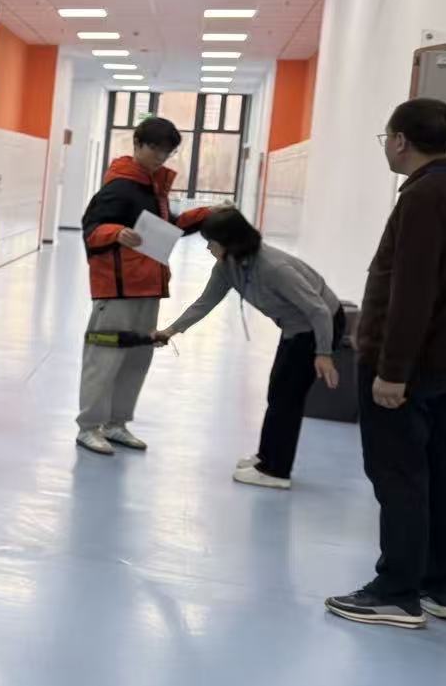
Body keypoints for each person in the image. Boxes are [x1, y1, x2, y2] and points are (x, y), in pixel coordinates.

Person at [326, 98, 446, 629]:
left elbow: (412, 292)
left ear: (400, 140)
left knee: (399, 475)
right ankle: (439, 585)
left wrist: (392, 371)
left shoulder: (422, 197)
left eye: (386, 139)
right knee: (438, 469)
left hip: (406, 369)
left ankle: (397, 591)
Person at [153, 208, 344, 490]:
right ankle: (267, 457)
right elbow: (204, 304)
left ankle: (276, 471)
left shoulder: (273, 268)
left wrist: (323, 353)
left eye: (211, 242)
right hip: (295, 327)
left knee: (286, 399)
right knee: (277, 392)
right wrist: (169, 331)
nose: (208, 248)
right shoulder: (227, 267)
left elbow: (318, 310)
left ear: (230, 242)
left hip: (318, 326)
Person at [75, 115, 210, 456]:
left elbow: (166, 228)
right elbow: (91, 228)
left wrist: (206, 214)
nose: (161, 157)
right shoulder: (119, 186)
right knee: (104, 358)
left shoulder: (155, 188)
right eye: (155, 149)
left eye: (167, 152)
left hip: (148, 286)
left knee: (136, 359)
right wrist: (116, 233)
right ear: (137, 144)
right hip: (118, 289)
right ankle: (89, 427)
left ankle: (117, 423)